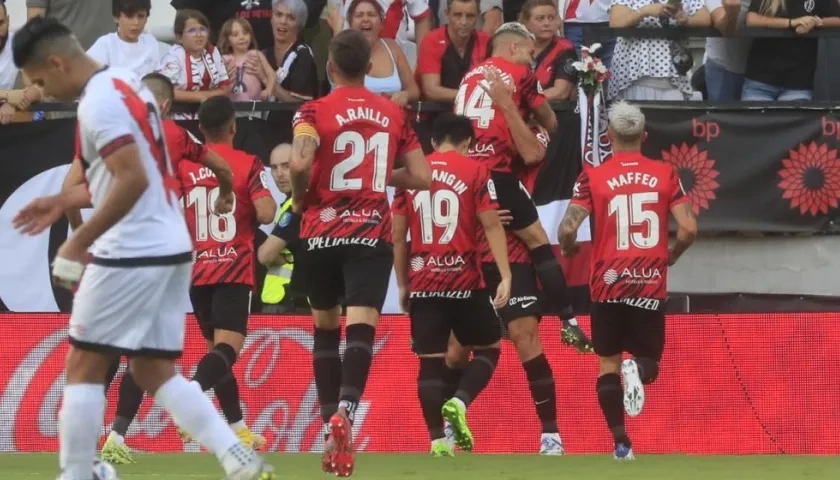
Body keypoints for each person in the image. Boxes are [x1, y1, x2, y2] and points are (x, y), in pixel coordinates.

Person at [11, 16, 275, 480]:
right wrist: (61, 200)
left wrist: (77, 241)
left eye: (38, 79)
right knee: (154, 370)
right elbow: (124, 176)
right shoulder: (128, 84)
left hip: (131, 247)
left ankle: (77, 472)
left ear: (56, 62)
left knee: (83, 362)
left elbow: (131, 180)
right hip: (172, 246)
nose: (41, 90)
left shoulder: (98, 105)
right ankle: (237, 457)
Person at [96, 73, 264, 464]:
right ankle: (141, 422)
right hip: (185, 260)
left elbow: (86, 184)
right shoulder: (177, 140)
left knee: (141, 348)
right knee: (219, 348)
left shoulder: (114, 137)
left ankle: (233, 429)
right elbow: (249, 194)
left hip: (135, 255)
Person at [289, 29, 431, 476]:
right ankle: (347, 411)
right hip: (370, 233)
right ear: (369, 69)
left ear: (330, 68)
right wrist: (381, 177)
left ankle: (329, 417)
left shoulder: (312, 109)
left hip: (319, 231)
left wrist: (300, 197)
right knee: (362, 324)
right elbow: (423, 177)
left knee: (325, 326)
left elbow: (298, 162)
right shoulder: (393, 113)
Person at [557, 101, 698, 460]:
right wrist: (672, 256)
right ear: (644, 136)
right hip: (649, 281)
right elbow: (688, 228)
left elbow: (567, 227)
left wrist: (571, 246)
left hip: (607, 282)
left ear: (609, 137)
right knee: (649, 361)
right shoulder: (665, 174)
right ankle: (636, 368)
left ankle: (621, 444)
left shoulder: (592, 176)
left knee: (607, 364)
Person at [447, 70, 567, 455]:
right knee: (455, 351)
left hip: (512, 253)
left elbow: (530, 156)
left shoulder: (530, 133)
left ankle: (551, 435)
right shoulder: (473, 134)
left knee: (524, 338)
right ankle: (452, 421)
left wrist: (506, 107)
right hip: (469, 251)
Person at [455, 22, 593, 352]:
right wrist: (530, 115)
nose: (532, 62)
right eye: (530, 54)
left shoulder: (468, 77)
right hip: (495, 173)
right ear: (513, 48)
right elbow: (551, 122)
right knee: (538, 241)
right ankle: (569, 321)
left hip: (463, 175)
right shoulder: (519, 75)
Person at [392, 113, 509, 457]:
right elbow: (491, 225)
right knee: (489, 347)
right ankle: (459, 400)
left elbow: (398, 237)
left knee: (429, 363)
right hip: (466, 281)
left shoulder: (411, 175)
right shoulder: (475, 170)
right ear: (468, 143)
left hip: (424, 282)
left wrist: (403, 284)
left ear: (432, 142)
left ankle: (436, 440)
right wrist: (506, 274)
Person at [175, 95, 277, 450]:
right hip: (233, 269)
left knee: (215, 354)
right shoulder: (247, 163)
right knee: (228, 351)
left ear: (200, 129)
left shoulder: (185, 166)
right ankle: (191, 394)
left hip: (198, 270)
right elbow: (266, 214)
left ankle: (238, 430)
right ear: (234, 127)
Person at [257, 144, 309, 314]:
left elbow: (265, 255)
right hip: (294, 301)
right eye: (274, 167)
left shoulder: (299, 205)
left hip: (291, 304)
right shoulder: (293, 202)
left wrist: (286, 258)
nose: (279, 174)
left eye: (286, 166)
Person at [342, 0, 420, 105]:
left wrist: (405, 95)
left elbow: (414, 91)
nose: (365, 19)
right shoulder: (342, 51)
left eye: (371, 15)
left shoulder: (393, 48)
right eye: (359, 15)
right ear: (350, 24)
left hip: (390, 116)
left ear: (381, 24)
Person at [159, 9, 231, 119]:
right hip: (179, 118)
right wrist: (202, 96)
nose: (199, 35)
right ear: (179, 37)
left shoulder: (213, 53)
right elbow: (165, 91)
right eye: (192, 30)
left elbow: (225, 89)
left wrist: (202, 97)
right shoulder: (175, 55)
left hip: (210, 117)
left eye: (203, 29)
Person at [416, 0, 491, 102]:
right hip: (438, 111)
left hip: (476, 109)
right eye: (458, 15)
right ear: (447, 14)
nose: (464, 22)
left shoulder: (487, 41)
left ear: (478, 15)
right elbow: (431, 91)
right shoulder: (432, 41)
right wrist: (471, 95)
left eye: (470, 16)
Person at [86, 0, 161, 78]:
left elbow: (157, 77)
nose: (136, 22)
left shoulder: (150, 42)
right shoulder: (105, 45)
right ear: (116, 17)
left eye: (141, 16)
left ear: (146, 18)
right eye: (129, 16)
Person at [520, 0, 577, 101]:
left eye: (551, 18)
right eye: (540, 19)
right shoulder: (516, 47)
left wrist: (525, 100)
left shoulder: (565, 49)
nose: (547, 23)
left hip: (554, 111)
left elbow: (561, 92)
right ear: (526, 23)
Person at [218, 18, 276, 102]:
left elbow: (271, 74)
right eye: (235, 35)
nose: (242, 37)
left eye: (245, 33)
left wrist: (268, 90)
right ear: (228, 40)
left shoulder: (256, 55)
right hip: (231, 106)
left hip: (254, 105)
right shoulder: (225, 59)